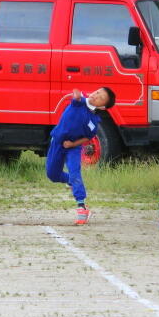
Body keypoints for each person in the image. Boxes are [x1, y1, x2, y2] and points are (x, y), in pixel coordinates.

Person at [46, 87, 116, 225]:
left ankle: (82, 207)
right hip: (58, 142)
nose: (96, 96)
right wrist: (76, 95)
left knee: (74, 171)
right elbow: (77, 98)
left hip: (73, 147)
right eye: (97, 92)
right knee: (52, 175)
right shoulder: (80, 101)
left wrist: (73, 144)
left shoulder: (93, 122)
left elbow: (87, 137)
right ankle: (71, 180)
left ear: (102, 107)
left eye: (101, 98)